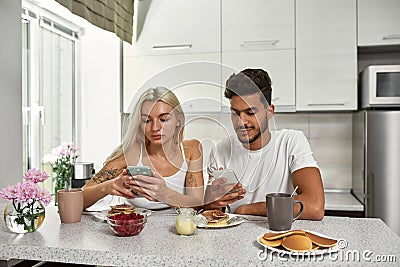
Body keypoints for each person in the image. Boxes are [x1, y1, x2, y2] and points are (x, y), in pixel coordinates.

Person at [204, 69, 324, 220]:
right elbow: (208, 210)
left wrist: (246, 210)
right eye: (235, 113)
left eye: (250, 112)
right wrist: (212, 202)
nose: (241, 122)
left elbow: (314, 206)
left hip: (275, 236)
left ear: (269, 111)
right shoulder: (220, 150)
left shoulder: (290, 142)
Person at [82, 87, 204, 211]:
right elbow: (79, 199)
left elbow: (197, 203)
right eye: (147, 120)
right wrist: (107, 187)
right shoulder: (130, 155)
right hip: (137, 227)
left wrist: (165, 194)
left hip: (180, 227)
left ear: (179, 120)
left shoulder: (191, 150)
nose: (155, 127)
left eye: (164, 119)